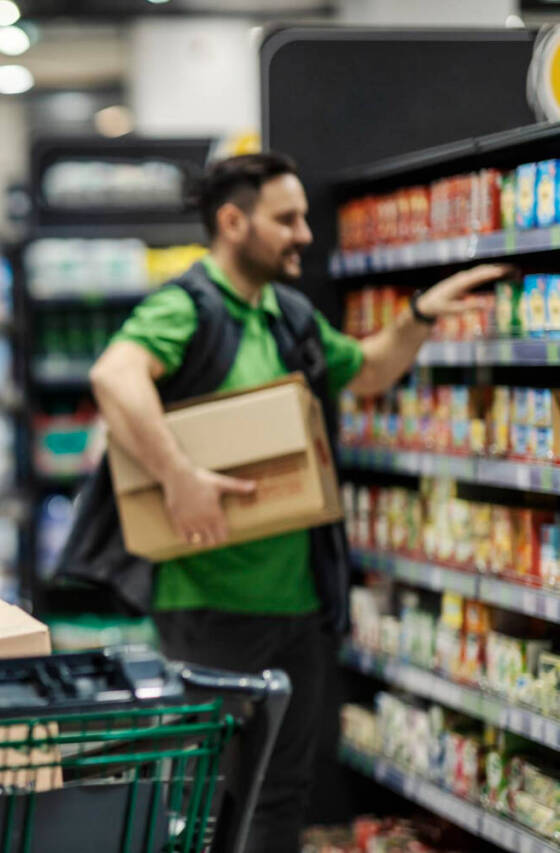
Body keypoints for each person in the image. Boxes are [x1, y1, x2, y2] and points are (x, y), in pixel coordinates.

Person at [86, 152, 507, 853]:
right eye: (287, 219)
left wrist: (420, 313)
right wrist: (180, 474)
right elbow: (115, 374)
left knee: (281, 798)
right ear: (232, 221)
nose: (305, 233)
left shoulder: (290, 315)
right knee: (217, 797)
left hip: (300, 608)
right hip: (210, 604)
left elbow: (369, 369)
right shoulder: (186, 307)